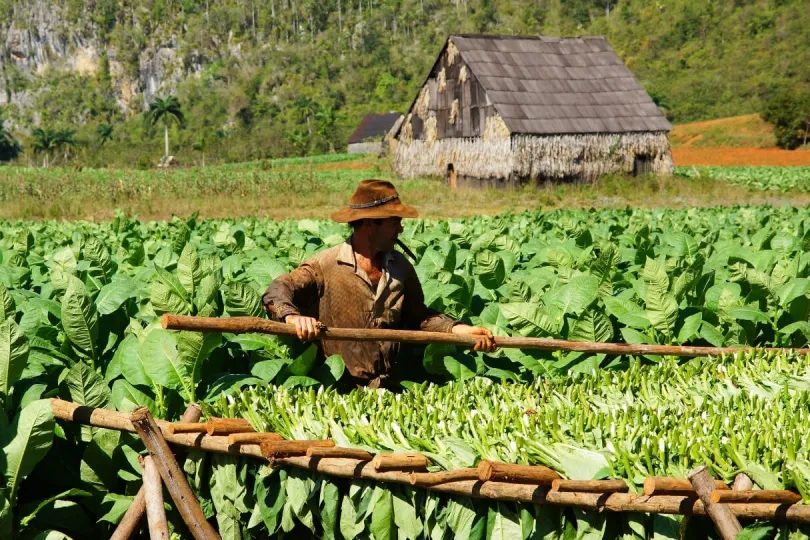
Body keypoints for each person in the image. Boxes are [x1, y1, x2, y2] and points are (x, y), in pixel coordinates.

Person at [262, 179, 496, 388]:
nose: (401, 228)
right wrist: (292, 317)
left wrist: (458, 329)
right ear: (369, 224)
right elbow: (277, 290)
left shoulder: (400, 267)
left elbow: (418, 316)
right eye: (394, 222)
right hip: (338, 391)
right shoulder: (326, 265)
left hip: (391, 388)